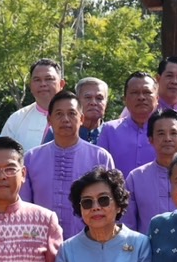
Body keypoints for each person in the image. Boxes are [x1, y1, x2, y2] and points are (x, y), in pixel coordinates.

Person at [21, 90, 115, 239]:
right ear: (49, 120)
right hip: (40, 243)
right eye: (59, 114)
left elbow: (110, 207)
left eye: (71, 113)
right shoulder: (31, 158)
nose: (65, 119)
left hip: (89, 244)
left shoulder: (100, 157)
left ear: (81, 118)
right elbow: (23, 207)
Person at [124, 110, 177, 232]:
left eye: (173, 133)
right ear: (150, 139)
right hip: (148, 249)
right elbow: (128, 225)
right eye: (161, 133)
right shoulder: (136, 177)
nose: (167, 138)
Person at [98, 72, 159, 174]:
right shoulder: (109, 130)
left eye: (147, 92)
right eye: (135, 92)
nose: (141, 97)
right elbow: (100, 170)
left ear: (157, 99)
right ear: (125, 99)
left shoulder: (166, 131)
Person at [1, 58, 66, 148]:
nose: (43, 84)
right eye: (37, 80)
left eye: (48, 79)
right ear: (30, 85)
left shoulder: (77, 117)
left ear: (61, 84)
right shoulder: (16, 120)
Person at [76, 77, 110, 144]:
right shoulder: (62, 134)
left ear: (106, 103)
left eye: (99, 98)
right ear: (77, 101)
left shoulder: (114, 136)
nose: (93, 103)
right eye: (88, 97)